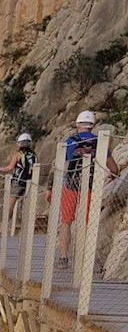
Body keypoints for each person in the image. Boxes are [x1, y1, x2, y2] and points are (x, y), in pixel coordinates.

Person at [45, 110, 119, 268]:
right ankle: (87, 260)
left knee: (66, 222)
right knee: (89, 224)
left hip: (71, 184)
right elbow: (113, 167)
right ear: (92, 126)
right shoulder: (99, 142)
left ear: (78, 124)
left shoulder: (70, 141)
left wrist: (49, 188)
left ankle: (63, 258)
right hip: (92, 186)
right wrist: (113, 177)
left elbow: (58, 165)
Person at [0, 132, 37, 223]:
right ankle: (25, 224)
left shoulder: (18, 154)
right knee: (25, 204)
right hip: (29, 182)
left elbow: (9, 168)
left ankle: (5, 223)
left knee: (11, 204)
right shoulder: (33, 155)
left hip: (18, 181)